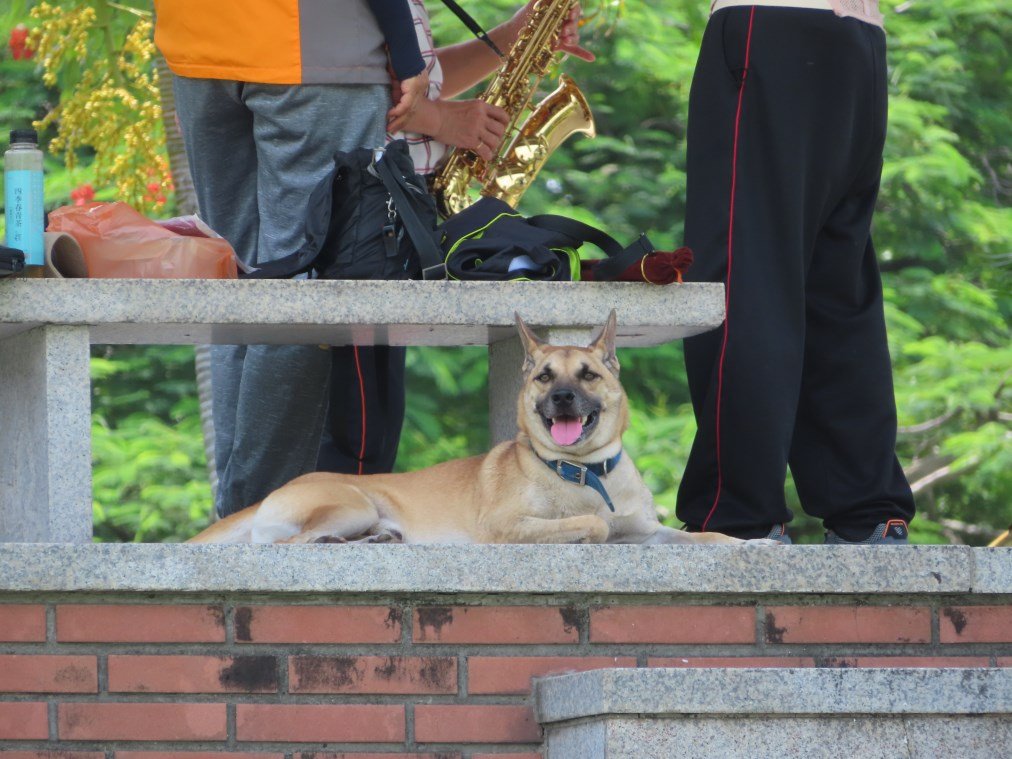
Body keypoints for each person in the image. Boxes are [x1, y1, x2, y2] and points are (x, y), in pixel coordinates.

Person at [153, 0, 429, 517]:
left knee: (234, 276)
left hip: (196, 49)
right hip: (310, 49)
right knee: (300, 283)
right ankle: (256, 518)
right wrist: (407, 53)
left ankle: (235, 515)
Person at [317, 0, 594, 476]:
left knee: (375, 434)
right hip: (360, 217)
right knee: (351, 439)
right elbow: (337, 97)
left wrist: (513, 37)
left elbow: (412, 81)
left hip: (395, 218)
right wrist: (441, 121)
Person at [675, 0, 916, 544]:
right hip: (860, 45)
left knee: (744, 274)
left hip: (770, 30)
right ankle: (867, 512)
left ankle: (737, 515)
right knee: (835, 285)